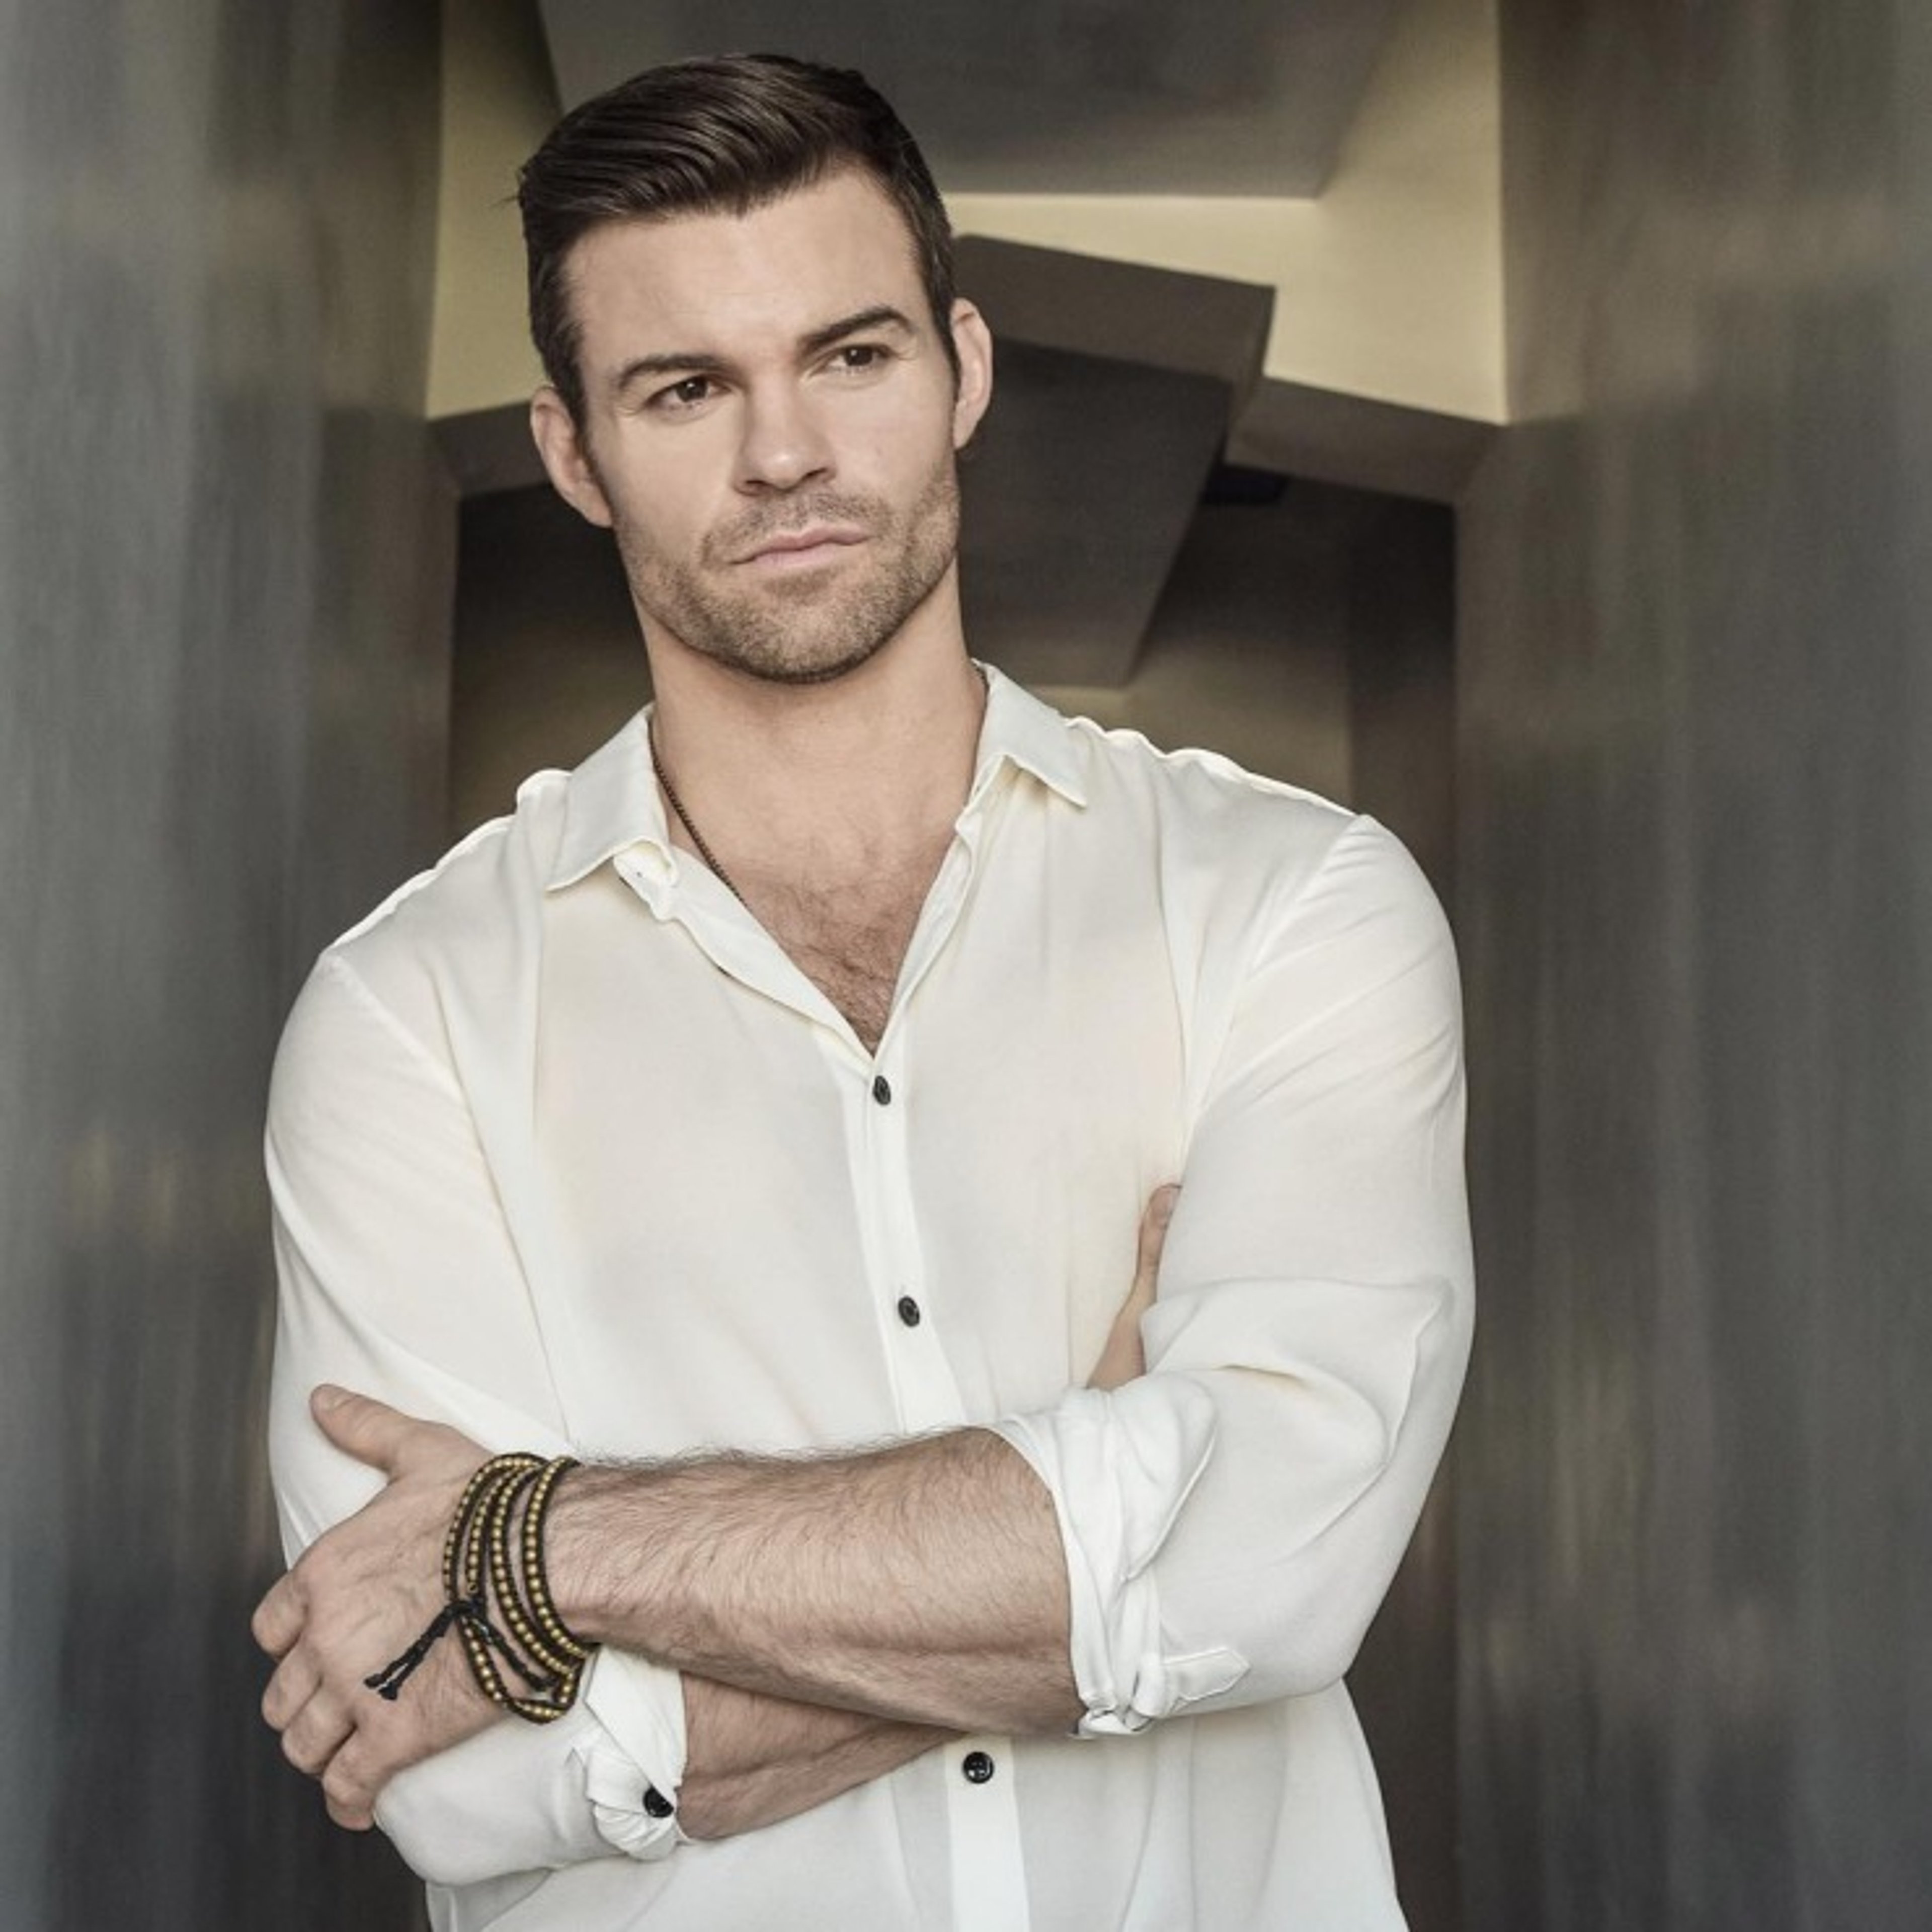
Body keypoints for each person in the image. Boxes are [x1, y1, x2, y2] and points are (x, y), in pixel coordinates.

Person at [251, 52, 1472, 1932]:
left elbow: (1283, 1572)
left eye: (853, 355)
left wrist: (545, 1544)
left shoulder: (1292, 906)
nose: (786, 453)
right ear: (574, 451)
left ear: (964, 368)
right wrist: (1102, 1485)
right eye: (683, 387)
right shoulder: (407, 1018)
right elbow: (461, 1768)